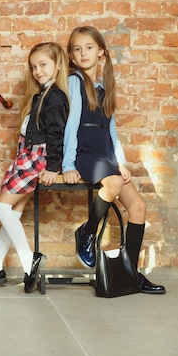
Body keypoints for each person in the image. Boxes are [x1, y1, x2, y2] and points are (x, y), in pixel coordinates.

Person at [62, 26, 165, 294]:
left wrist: (121, 161)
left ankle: (130, 274)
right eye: (77, 49)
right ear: (71, 57)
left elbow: (112, 129)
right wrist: (68, 165)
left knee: (139, 207)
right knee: (113, 184)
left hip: (106, 155)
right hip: (85, 153)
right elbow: (71, 125)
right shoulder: (74, 82)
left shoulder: (104, 86)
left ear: (101, 53)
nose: (83, 53)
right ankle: (87, 231)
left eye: (88, 47)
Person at [0, 42, 70, 293]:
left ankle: (28, 260)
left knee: (0, 206)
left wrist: (53, 168)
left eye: (43, 65)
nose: (38, 71)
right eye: (34, 67)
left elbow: (56, 135)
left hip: (38, 160)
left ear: (57, 66)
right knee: (11, 214)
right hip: (26, 156)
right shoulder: (39, 95)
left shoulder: (55, 96)